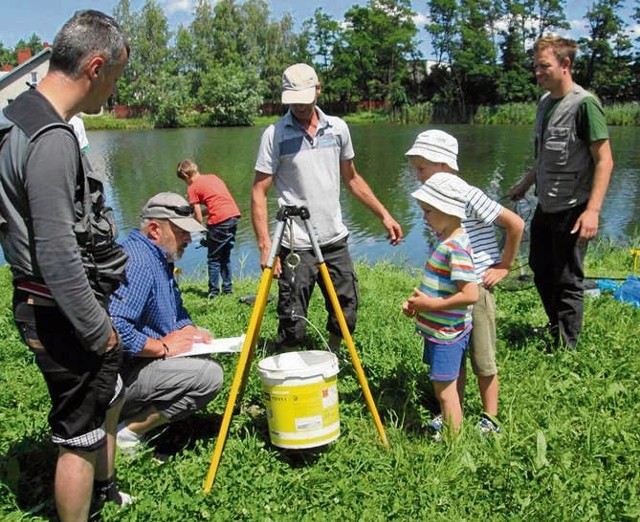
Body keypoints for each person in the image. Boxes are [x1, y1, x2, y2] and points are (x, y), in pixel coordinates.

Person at [0, 10, 131, 520]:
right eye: (115, 79)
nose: (112, 96)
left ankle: (107, 487)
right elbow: (57, 254)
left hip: (41, 301)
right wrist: (100, 331)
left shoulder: (18, 115)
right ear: (95, 67)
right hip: (57, 307)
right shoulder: (52, 138)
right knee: (78, 434)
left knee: (110, 393)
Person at [252, 63, 403, 351]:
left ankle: (332, 356)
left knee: (346, 308)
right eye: (293, 99)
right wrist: (265, 246)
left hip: (334, 238)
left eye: (305, 98)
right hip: (296, 242)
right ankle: (290, 365)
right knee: (292, 316)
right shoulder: (275, 135)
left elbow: (353, 178)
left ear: (318, 90)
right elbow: (259, 191)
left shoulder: (338, 129)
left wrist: (384, 214)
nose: (299, 106)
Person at [406, 130, 525, 434]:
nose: (417, 175)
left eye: (422, 168)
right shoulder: (436, 202)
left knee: (482, 356)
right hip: (452, 288)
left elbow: (515, 224)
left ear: (443, 165)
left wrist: (505, 265)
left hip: (477, 288)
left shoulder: (467, 194)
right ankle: (452, 412)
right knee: (454, 350)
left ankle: (490, 417)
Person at [509, 36, 614, 350]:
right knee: (541, 267)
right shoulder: (545, 103)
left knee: (568, 278)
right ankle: (556, 328)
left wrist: (592, 211)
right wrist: (525, 184)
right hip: (547, 203)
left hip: (574, 206)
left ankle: (567, 348)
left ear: (565, 65)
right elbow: (544, 156)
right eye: (536, 67)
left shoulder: (585, 105)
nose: (537, 73)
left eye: (544, 66)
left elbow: (605, 160)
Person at [108, 192, 224, 455]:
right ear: (154, 229)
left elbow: (177, 309)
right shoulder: (138, 262)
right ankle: (127, 432)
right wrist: (163, 347)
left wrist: (188, 329)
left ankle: (154, 416)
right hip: (122, 376)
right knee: (209, 376)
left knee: (204, 339)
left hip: (143, 364)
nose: (188, 238)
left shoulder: (160, 257)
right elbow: (114, 328)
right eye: (182, 231)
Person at [402, 175, 478, 438]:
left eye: (428, 211)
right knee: (445, 384)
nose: (425, 217)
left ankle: (452, 442)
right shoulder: (447, 240)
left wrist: (431, 304)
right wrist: (418, 303)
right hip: (439, 329)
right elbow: (441, 283)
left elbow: (471, 293)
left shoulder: (455, 248)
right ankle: (449, 427)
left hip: (447, 334)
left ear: (448, 210)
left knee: (445, 391)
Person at [177, 159, 241, 297]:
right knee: (225, 256)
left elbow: (199, 218)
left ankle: (213, 292)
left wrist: (195, 230)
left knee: (214, 258)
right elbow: (214, 205)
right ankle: (228, 289)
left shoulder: (192, 188)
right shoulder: (213, 177)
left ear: (186, 176)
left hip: (218, 221)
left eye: (184, 180)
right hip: (233, 216)